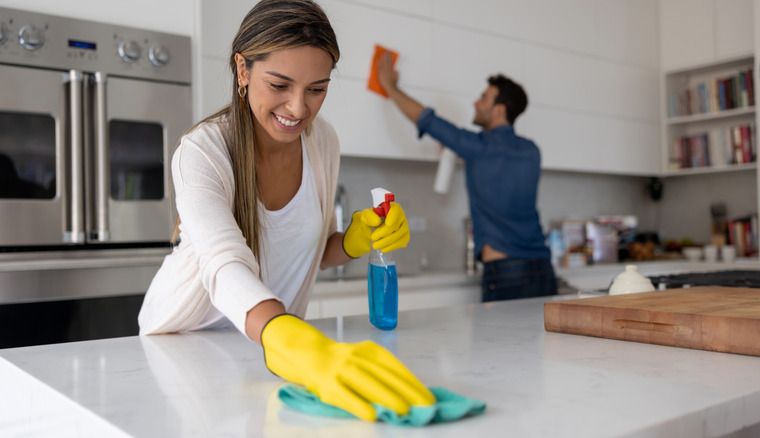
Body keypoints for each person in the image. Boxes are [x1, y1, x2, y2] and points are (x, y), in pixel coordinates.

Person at [138, 0, 433, 422]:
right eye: (280, 85)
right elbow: (224, 265)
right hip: (183, 350)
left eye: (317, 88)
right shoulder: (203, 151)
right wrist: (299, 343)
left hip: (268, 347)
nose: (298, 108)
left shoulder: (323, 142)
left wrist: (352, 241)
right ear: (243, 69)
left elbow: (306, 252)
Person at [377, 54, 557, 302]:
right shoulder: (531, 151)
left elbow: (427, 120)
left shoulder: (478, 147)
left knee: (501, 342)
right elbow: (499, 172)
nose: (476, 103)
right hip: (543, 268)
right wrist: (461, 151)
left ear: (500, 110)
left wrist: (390, 86)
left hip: (506, 272)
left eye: (484, 98)